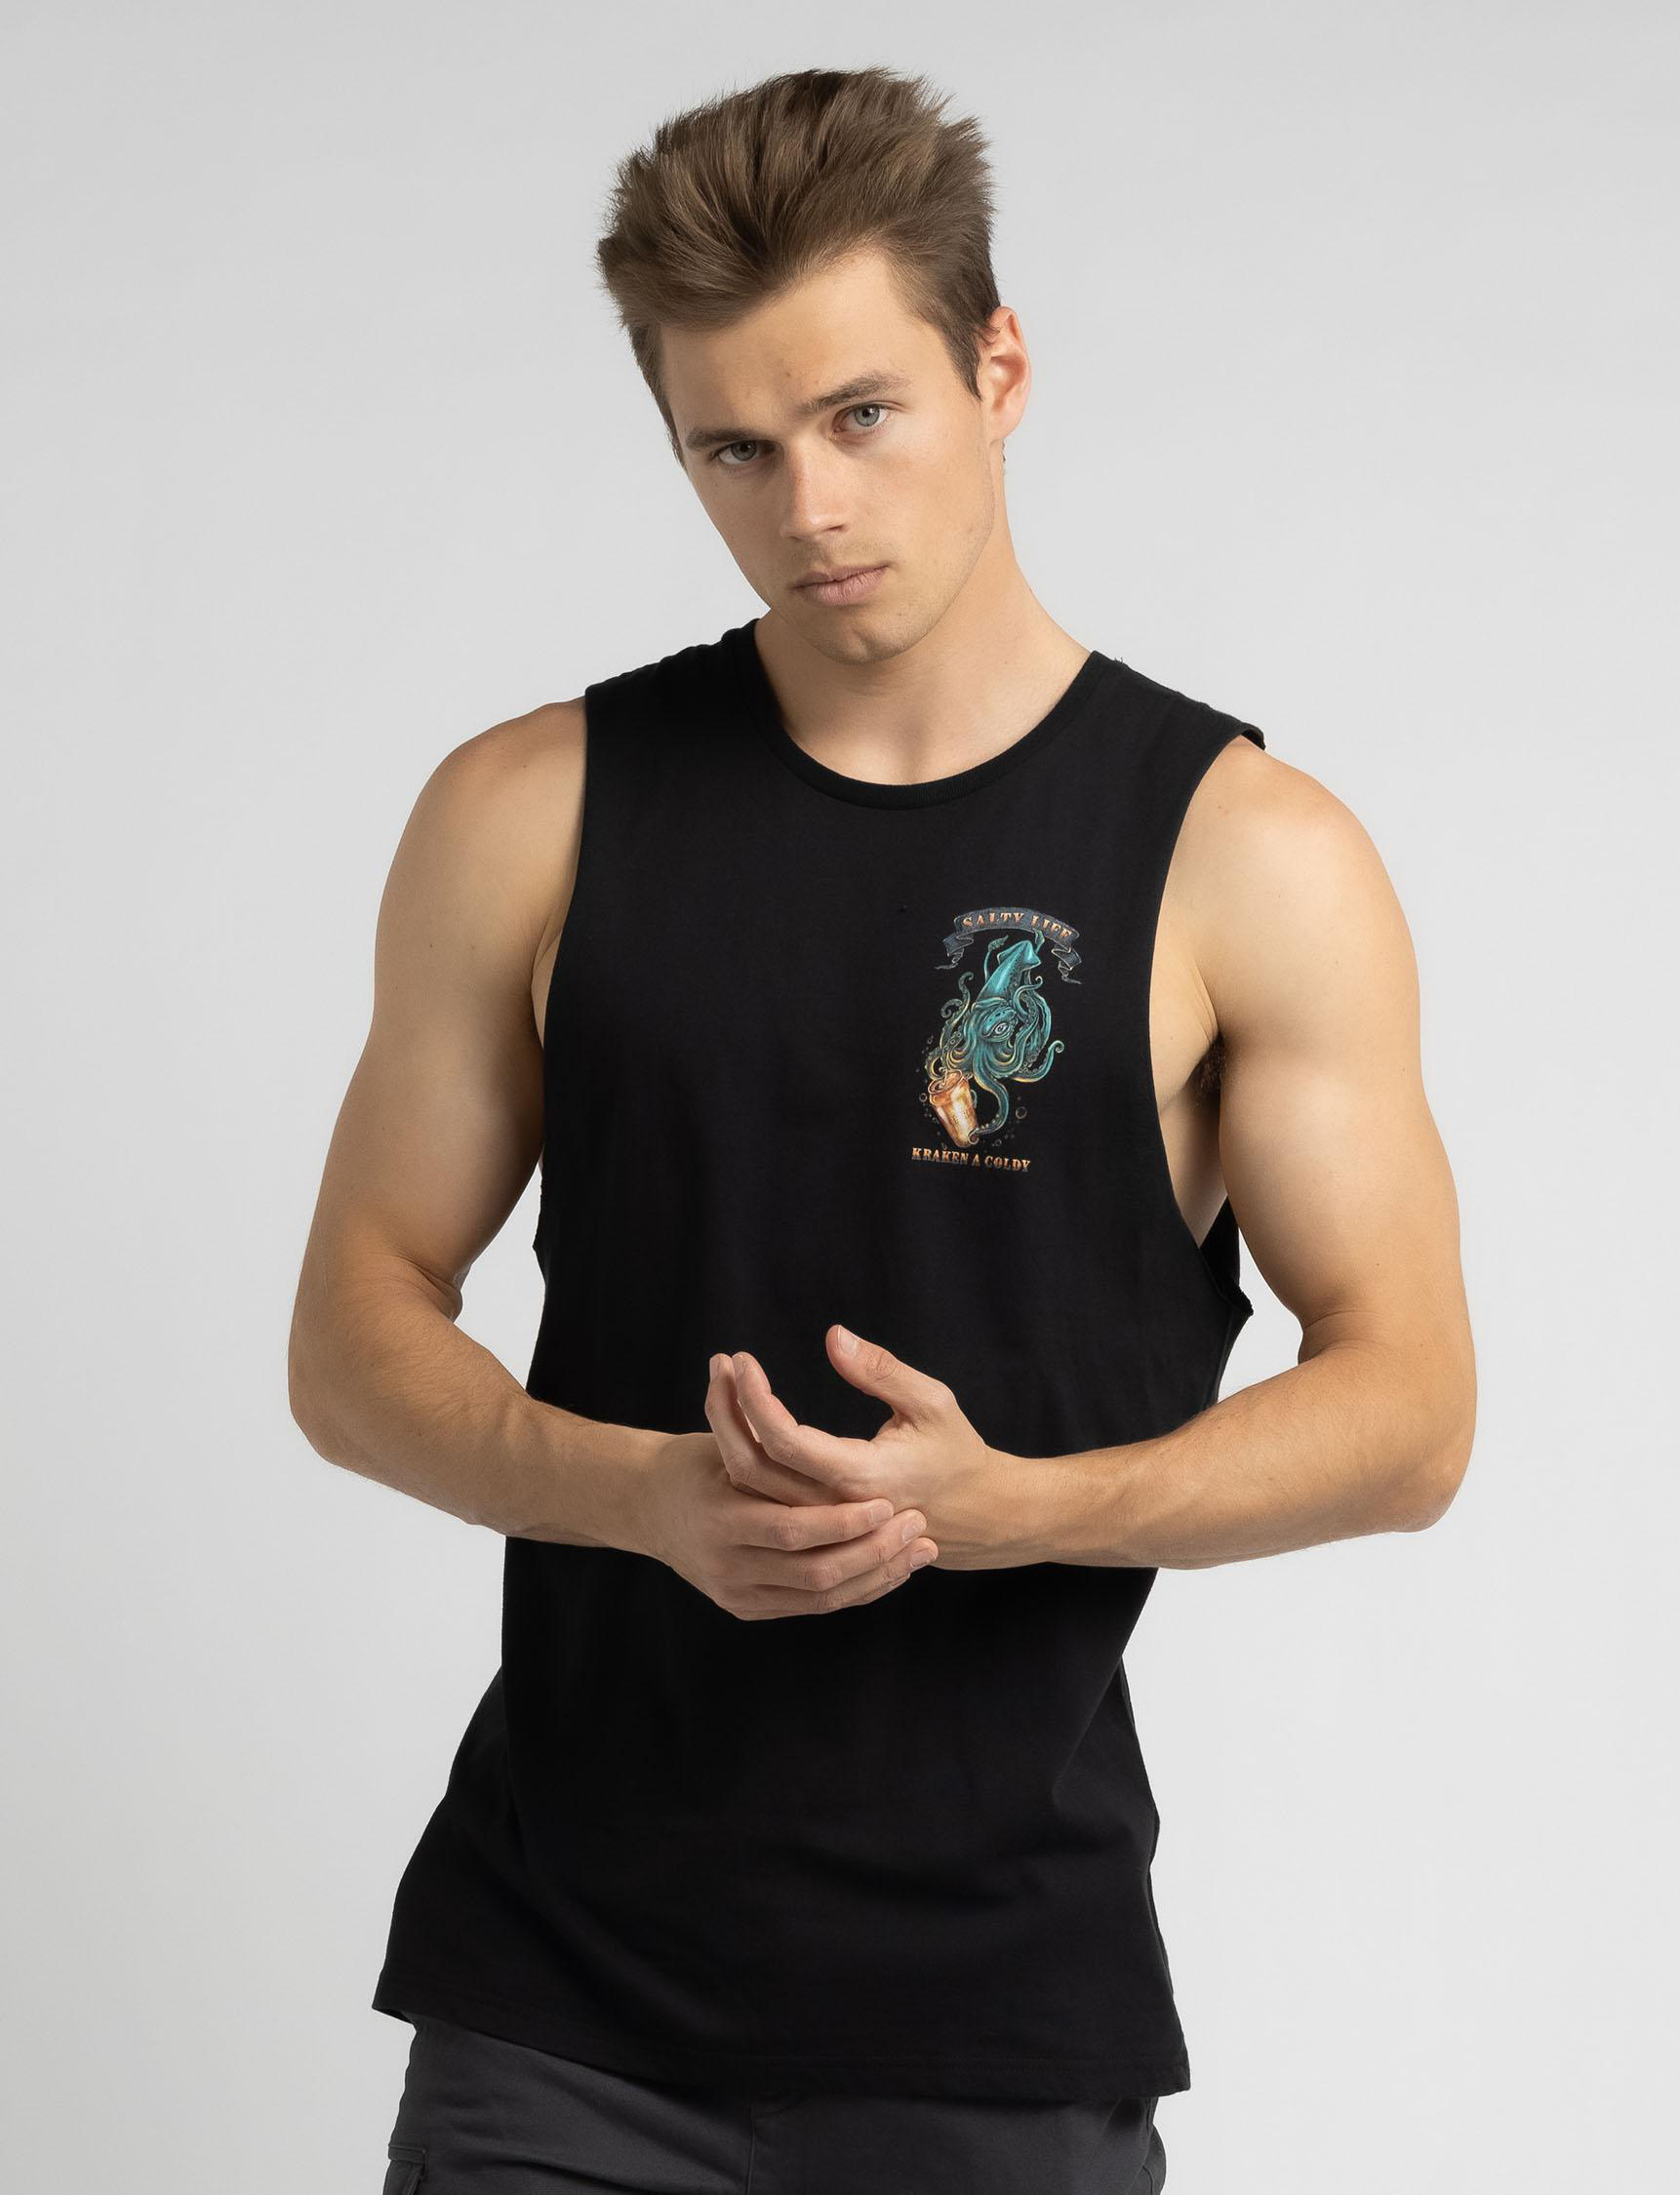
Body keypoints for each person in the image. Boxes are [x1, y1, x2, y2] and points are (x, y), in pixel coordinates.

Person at [288, 63, 1475, 2195]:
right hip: (558, 2008)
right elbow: (353, 1337)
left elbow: (1411, 1412)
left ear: (998, 368)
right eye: (732, 449)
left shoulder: (1245, 857)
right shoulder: (529, 812)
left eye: (862, 417)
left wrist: (1017, 1510)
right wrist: (641, 1493)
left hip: (998, 2023)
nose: (808, 507)